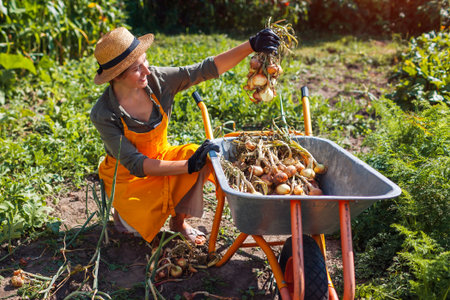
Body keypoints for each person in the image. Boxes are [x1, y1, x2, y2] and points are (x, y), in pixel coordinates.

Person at [90, 26, 280, 245]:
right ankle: (124, 214)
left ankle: (178, 222)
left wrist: (251, 45)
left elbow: (203, 69)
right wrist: (188, 166)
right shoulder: (104, 113)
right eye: (137, 69)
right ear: (117, 76)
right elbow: (135, 164)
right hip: (130, 177)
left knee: (197, 154)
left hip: (161, 158)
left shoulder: (159, 81)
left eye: (145, 61)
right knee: (133, 228)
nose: (147, 71)